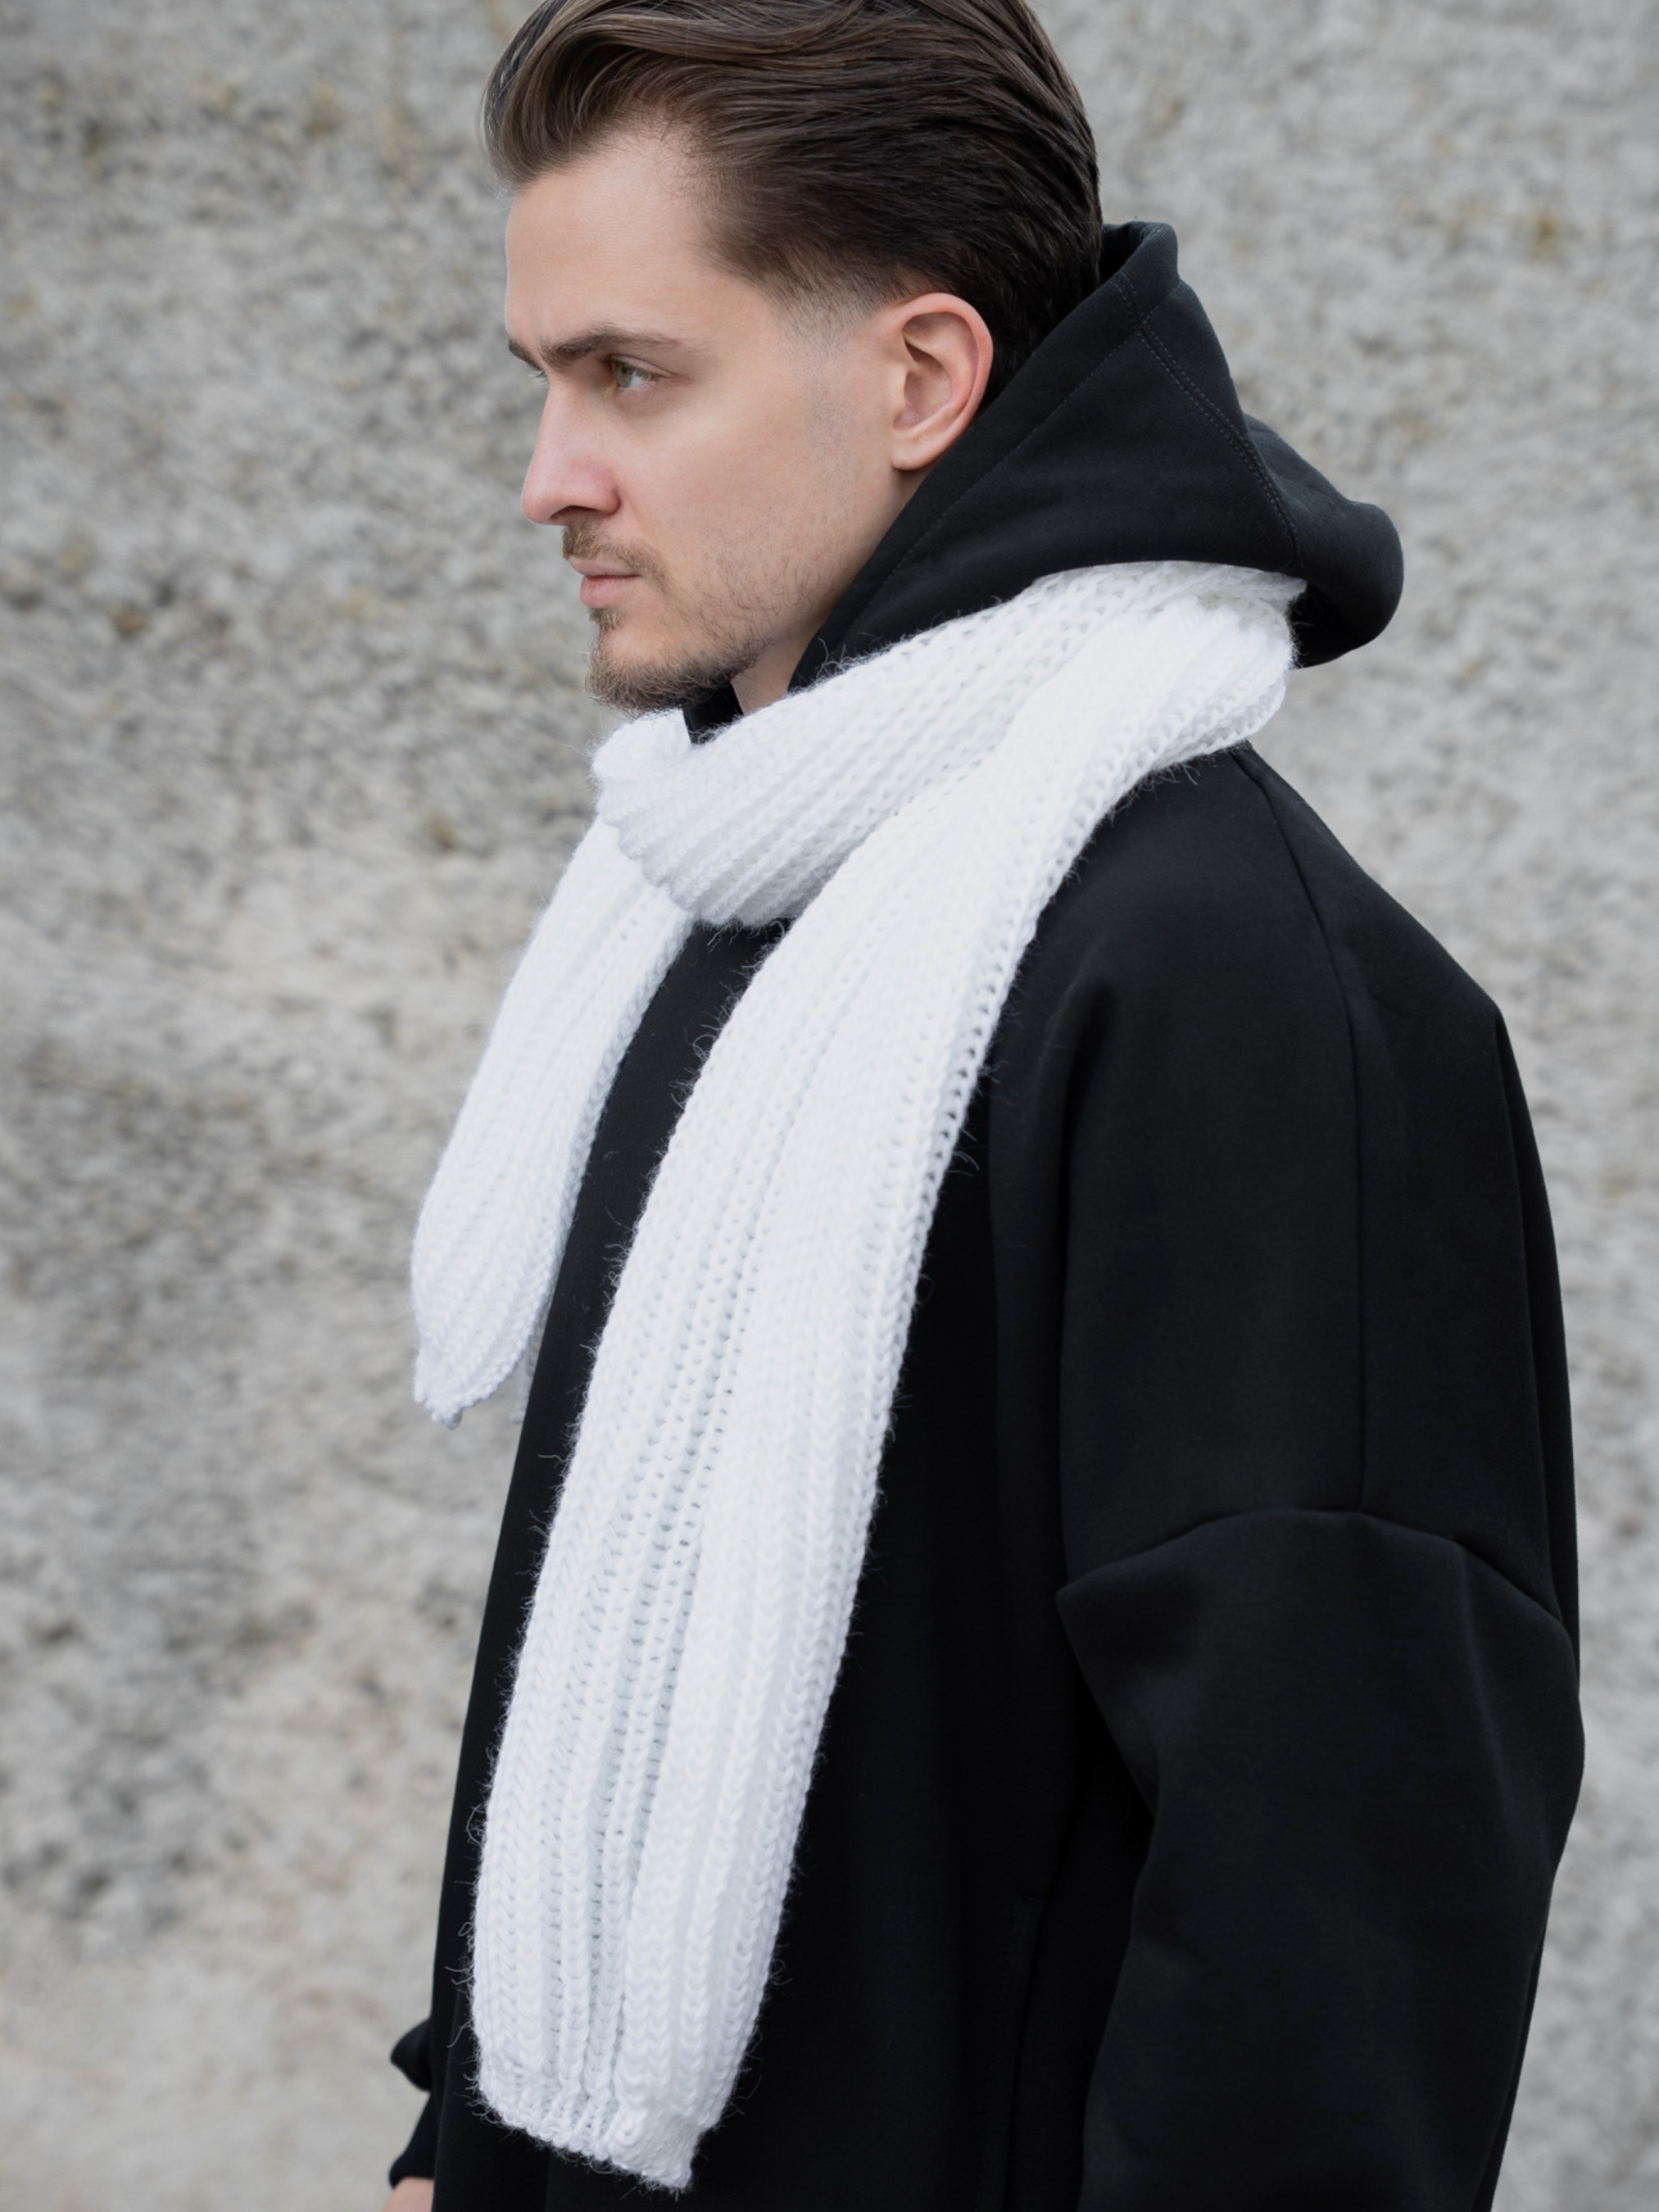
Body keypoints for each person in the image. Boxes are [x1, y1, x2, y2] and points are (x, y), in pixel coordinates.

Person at [380, 2, 1583, 2207]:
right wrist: (456, 2131)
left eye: (630, 375)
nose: (549, 475)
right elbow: (622, 1685)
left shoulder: (1242, 994)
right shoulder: (733, 890)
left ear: (922, 377)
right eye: (543, 378)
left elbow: (1331, 1929)